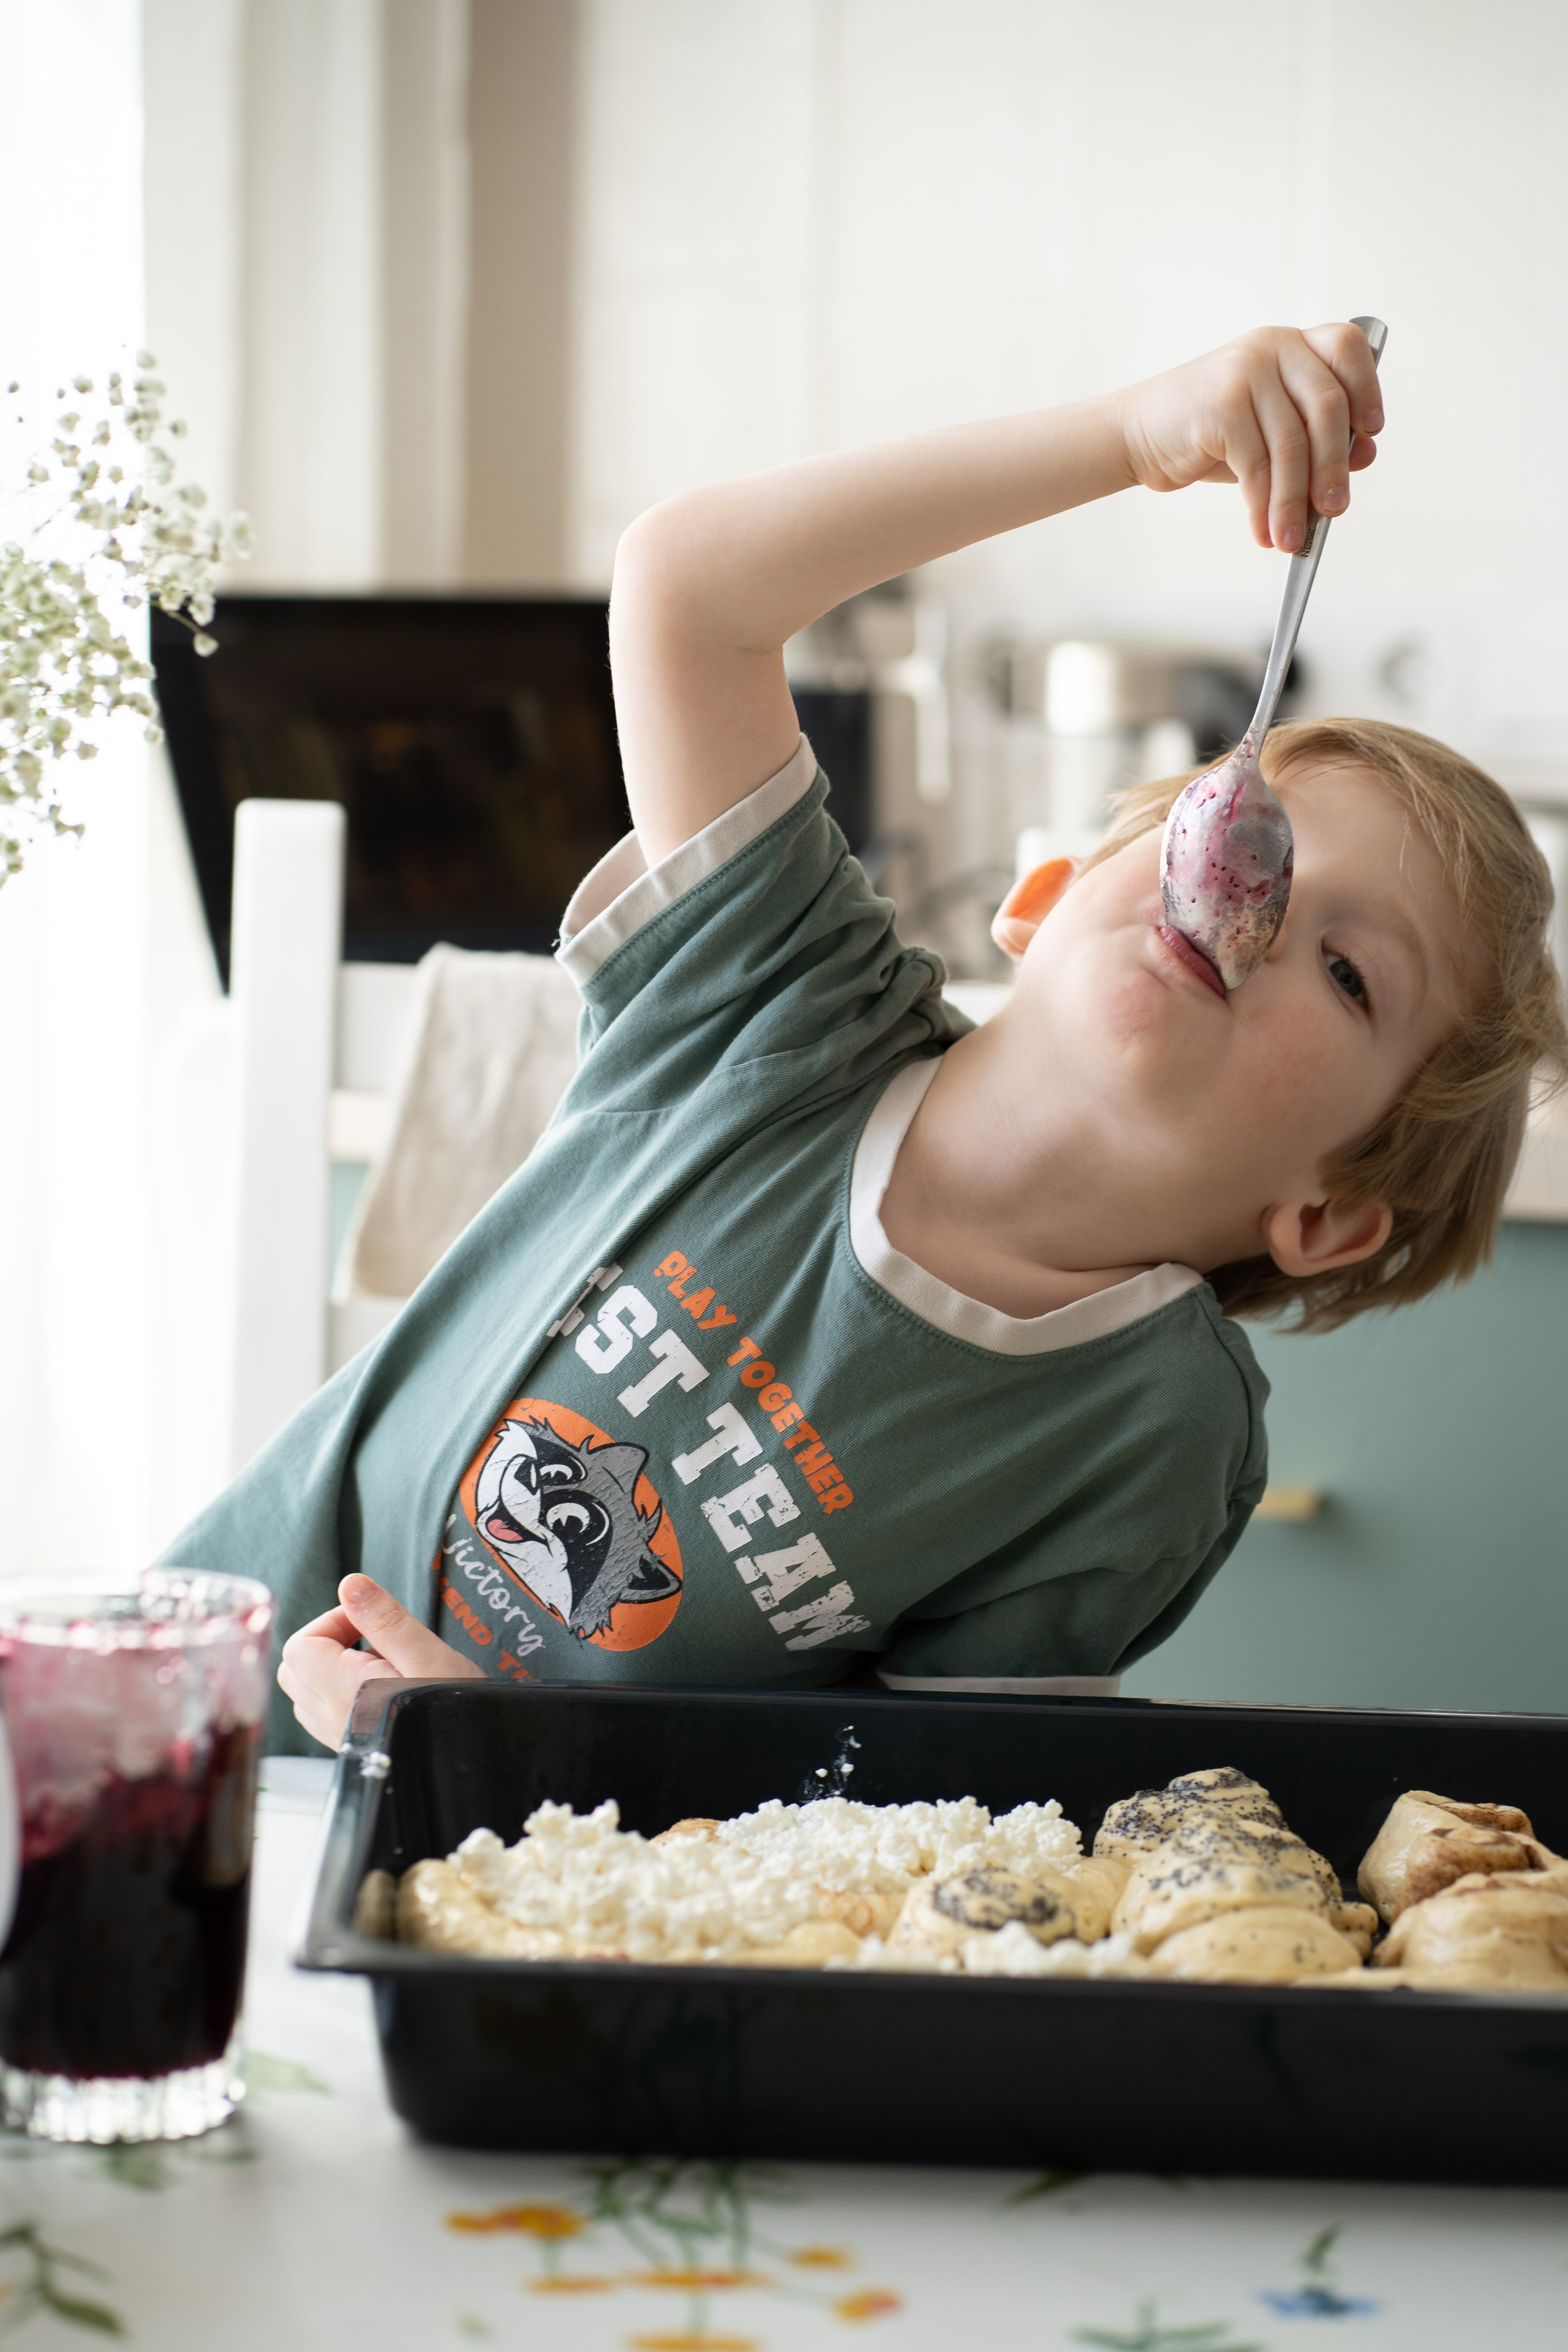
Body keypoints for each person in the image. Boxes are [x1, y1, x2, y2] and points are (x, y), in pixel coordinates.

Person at [166, 325, 1566, 1753]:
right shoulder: (783, 1003)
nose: (1248, 910)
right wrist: (1132, 436)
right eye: (1236, 824)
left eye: (1342, 970)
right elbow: (687, 594)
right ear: (1036, 901)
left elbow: (912, 1823)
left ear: (1323, 1211)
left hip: (546, 1912)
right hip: (189, 1721)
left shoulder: (1144, 1442)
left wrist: (485, 1764)